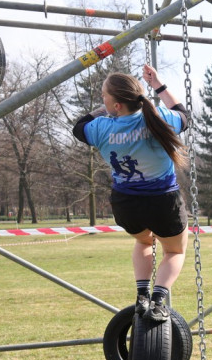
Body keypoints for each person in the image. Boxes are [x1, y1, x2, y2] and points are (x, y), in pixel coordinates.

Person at [73, 64, 190, 323]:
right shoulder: (160, 118)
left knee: (143, 241)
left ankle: (142, 295)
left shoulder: (101, 128)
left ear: (115, 105)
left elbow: (80, 125)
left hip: (126, 204)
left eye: (104, 96)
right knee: (175, 252)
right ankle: (158, 300)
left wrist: (107, 109)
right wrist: (157, 85)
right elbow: (182, 113)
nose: (102, 100)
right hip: (163, 202)